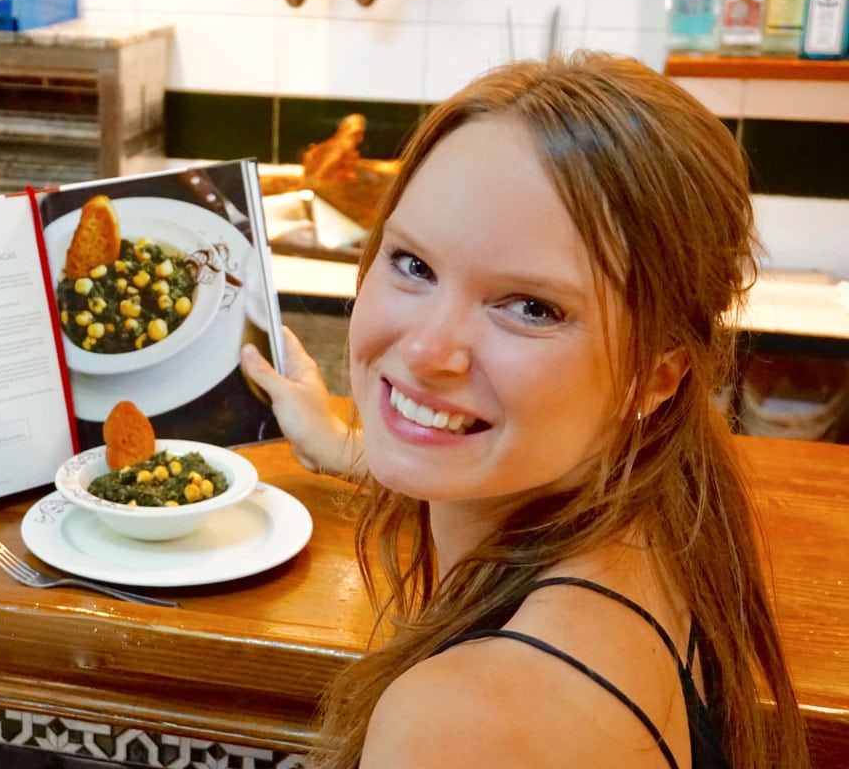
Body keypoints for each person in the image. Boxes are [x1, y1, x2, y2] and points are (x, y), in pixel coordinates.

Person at [241, 51, 809, 769]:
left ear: (657, 378)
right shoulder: (665, 505)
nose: (426, 351)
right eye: (413, 264)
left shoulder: (466, 726)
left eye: (531, 308)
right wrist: (343, 444)